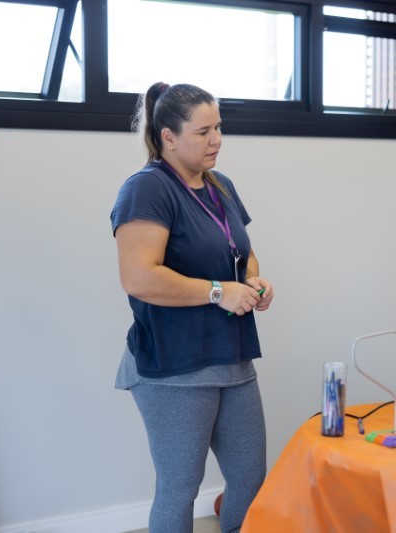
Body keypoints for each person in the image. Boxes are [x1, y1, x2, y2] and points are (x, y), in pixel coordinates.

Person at [110, 82, 273, 533]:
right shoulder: (146, 189)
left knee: (250, 475)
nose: (216, 139)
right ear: (168, 136)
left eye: (218, 127)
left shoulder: (221, 185)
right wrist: (220, 292)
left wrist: (251, 281)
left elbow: (242, 252)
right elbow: (139, 277)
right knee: (180, 487)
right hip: (174, 365)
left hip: (231, 356)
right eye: (203, 132)